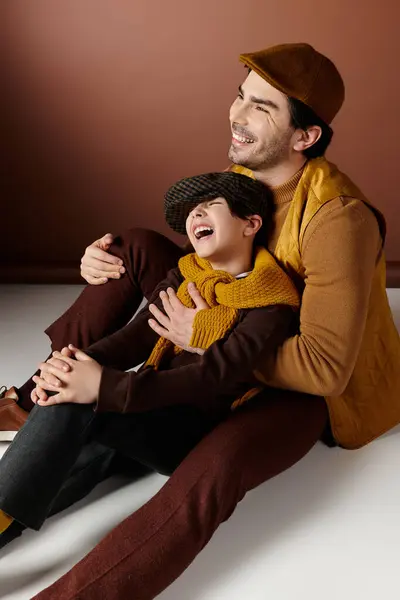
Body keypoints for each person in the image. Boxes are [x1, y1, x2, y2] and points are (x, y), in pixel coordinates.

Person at [1, 42, 400, 600]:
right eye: (241, 97)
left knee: (214, 470)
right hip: (234, 320)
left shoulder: (338, 220)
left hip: (299, 387)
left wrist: (204, 332)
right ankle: (33, 395)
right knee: (130, 246)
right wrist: (99, 272)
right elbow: (205, 263)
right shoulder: (248, 172)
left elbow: (325, 370)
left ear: (304, 137)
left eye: (262, 109)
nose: (238, 115)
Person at [0, 170, 301, 536]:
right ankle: (6, 522)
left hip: (185, 429)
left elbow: (213, 375)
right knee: (70, 426)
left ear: (250, 223)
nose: (195, 216)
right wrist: (78, 363)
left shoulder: (271, 303)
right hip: (147, 397)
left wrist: (105, 387)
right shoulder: (187, 273)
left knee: (78, 401)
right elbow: (139, 335)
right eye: (192, 212)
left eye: (211, 207)